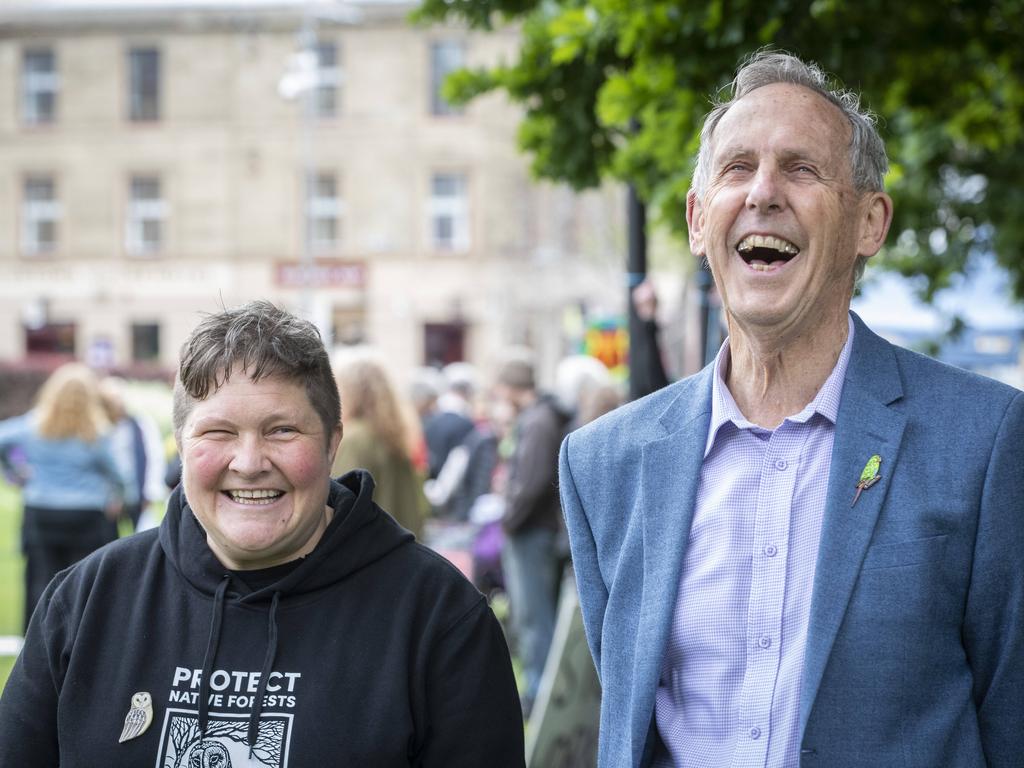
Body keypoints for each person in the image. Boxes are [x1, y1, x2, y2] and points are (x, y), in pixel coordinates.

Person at [559, 51, 1024, 768]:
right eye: (737, 168)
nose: (764, 192)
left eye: (801, 168)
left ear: (870, 223)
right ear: (695, 219)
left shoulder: (984, 442)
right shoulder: (604, 464)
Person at [0, 300, 524, 767]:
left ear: (332, 443)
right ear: (181, 447)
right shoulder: (87, 602)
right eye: (217, 432)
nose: (249, 463)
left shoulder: (438, 617)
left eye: (282, 430)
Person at [0, 362, 127, 631]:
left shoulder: (32, 426)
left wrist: (13, 474)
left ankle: (38, 638)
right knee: (85, 579)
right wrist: (119, 495)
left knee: (40, 578)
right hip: (87, 514)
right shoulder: (98, 433)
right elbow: (119, 474)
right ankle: (82, 634)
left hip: (41, 510)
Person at [496, 353, 569, 718]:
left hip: (531, 533)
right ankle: (538, 690)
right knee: (530, 615)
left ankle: (539, 695)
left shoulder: (538, 422)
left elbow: (533, 480)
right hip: (532, 530)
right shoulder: (539, 417)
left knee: (534, 616)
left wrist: (509, 520)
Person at [332, 350, 426, 539]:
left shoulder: (353, 439)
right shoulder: (397, 435)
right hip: (401, 548)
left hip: (369, 552)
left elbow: (339, 506)